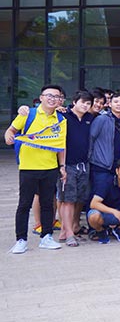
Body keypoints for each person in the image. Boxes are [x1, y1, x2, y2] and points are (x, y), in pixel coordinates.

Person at [6, 84, 67, 253]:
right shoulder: (28, 114)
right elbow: (10, 131)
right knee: (24, 205)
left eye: (57, 96)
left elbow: (60, 146)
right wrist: (9, 137)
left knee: (47, 204)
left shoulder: (61, 120)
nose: (53, 99)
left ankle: (46, 237)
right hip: (28, 167)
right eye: (49, 95)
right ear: (41, 98)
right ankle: (21, 240)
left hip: (50, 167)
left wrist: (62, 166)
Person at [57, 90, 94, 246]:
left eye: (88, 103)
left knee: (78, 199)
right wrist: (62, 166)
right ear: (74, 102)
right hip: (67, 165)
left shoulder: (89, 118)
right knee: (67, 200)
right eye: (83, 102)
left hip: (83, 165)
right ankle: (69, 233)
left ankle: (69, 229)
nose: (85, 106)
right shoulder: (63, 117)